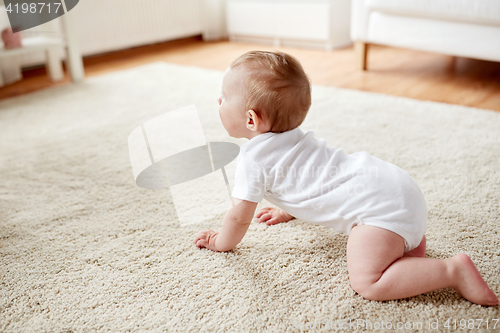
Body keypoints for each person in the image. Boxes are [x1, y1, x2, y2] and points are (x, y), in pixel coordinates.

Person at [194, 51, 498, 306]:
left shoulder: (253, 159)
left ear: (251, 119)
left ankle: (451, 270)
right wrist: (288, 209)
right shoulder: (294, 137)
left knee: (368, 282)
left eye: (223, 98)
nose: (218, 102)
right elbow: (307, 177)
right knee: (378, 233)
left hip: (382, 212)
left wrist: (221, 242)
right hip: (396, 187)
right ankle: (408, 248)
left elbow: (238, 217)